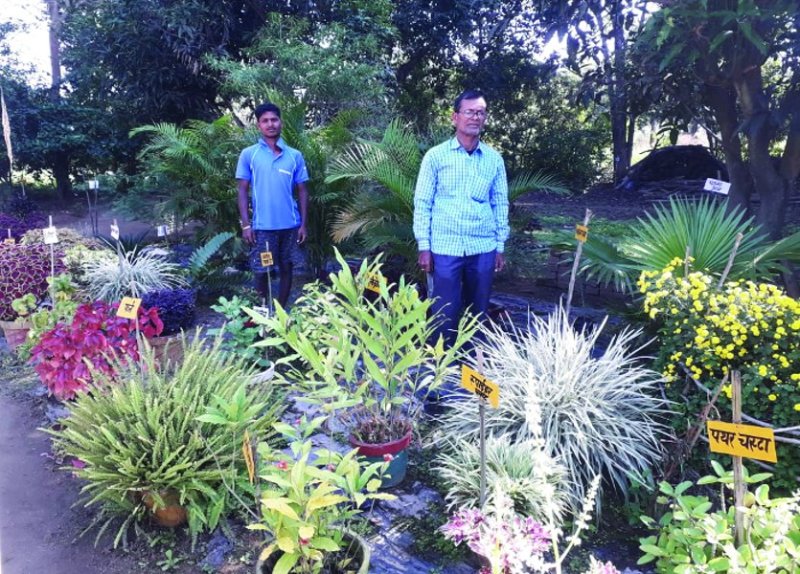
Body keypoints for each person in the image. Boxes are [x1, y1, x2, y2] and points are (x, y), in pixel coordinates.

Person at [413, 89, 509, 346]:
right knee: (444, 309)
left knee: (477, 310)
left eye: (481, 113)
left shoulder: (494, 160)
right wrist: (424, 246)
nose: (475, 117)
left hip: (483, 247)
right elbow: (423, 202)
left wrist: (499, 246)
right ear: (455, 117)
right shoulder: (435, 157)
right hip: (446, 246)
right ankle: (440, 361)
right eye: (470, 112)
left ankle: (470, 361)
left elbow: (500, 203)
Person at [236, 102, 309, 307]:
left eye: (274, 120)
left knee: (287, 267)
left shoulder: (294, 156)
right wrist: (246, 225)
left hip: (290, 226)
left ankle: (281, 311)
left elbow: (303, 191)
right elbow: (242, 190)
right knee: (262, 270)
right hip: (263, 228)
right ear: (258, 125)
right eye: (265, 121)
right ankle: (264, 312)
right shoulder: (249, 154)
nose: (270, 124)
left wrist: (303, 225)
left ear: (280, 122)